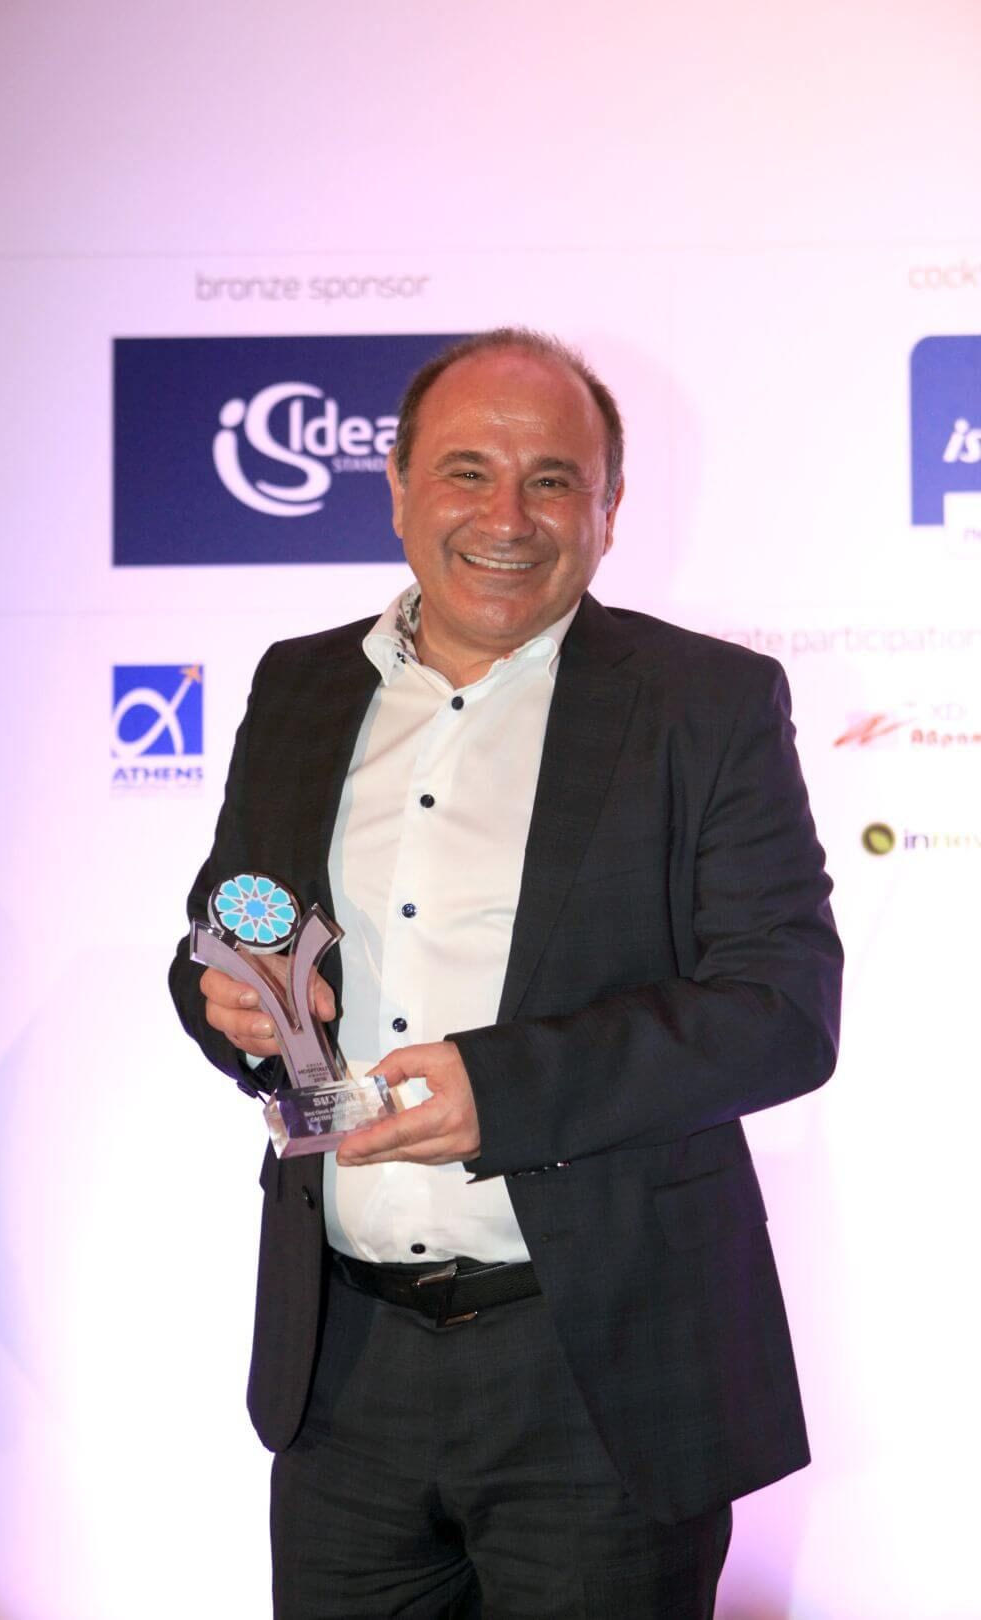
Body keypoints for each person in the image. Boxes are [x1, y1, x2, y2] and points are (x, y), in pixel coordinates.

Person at [169, 328, 842, 1618]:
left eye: (552, 480)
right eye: (467, 472)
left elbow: (783, 1010)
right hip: (341, 1370)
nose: (507, 518)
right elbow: (227, 927)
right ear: (398, 487)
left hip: (602, 1370)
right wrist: (230, 1010)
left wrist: (508, 1089)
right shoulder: (299, 685)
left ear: (609, 508)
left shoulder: (703, 702)